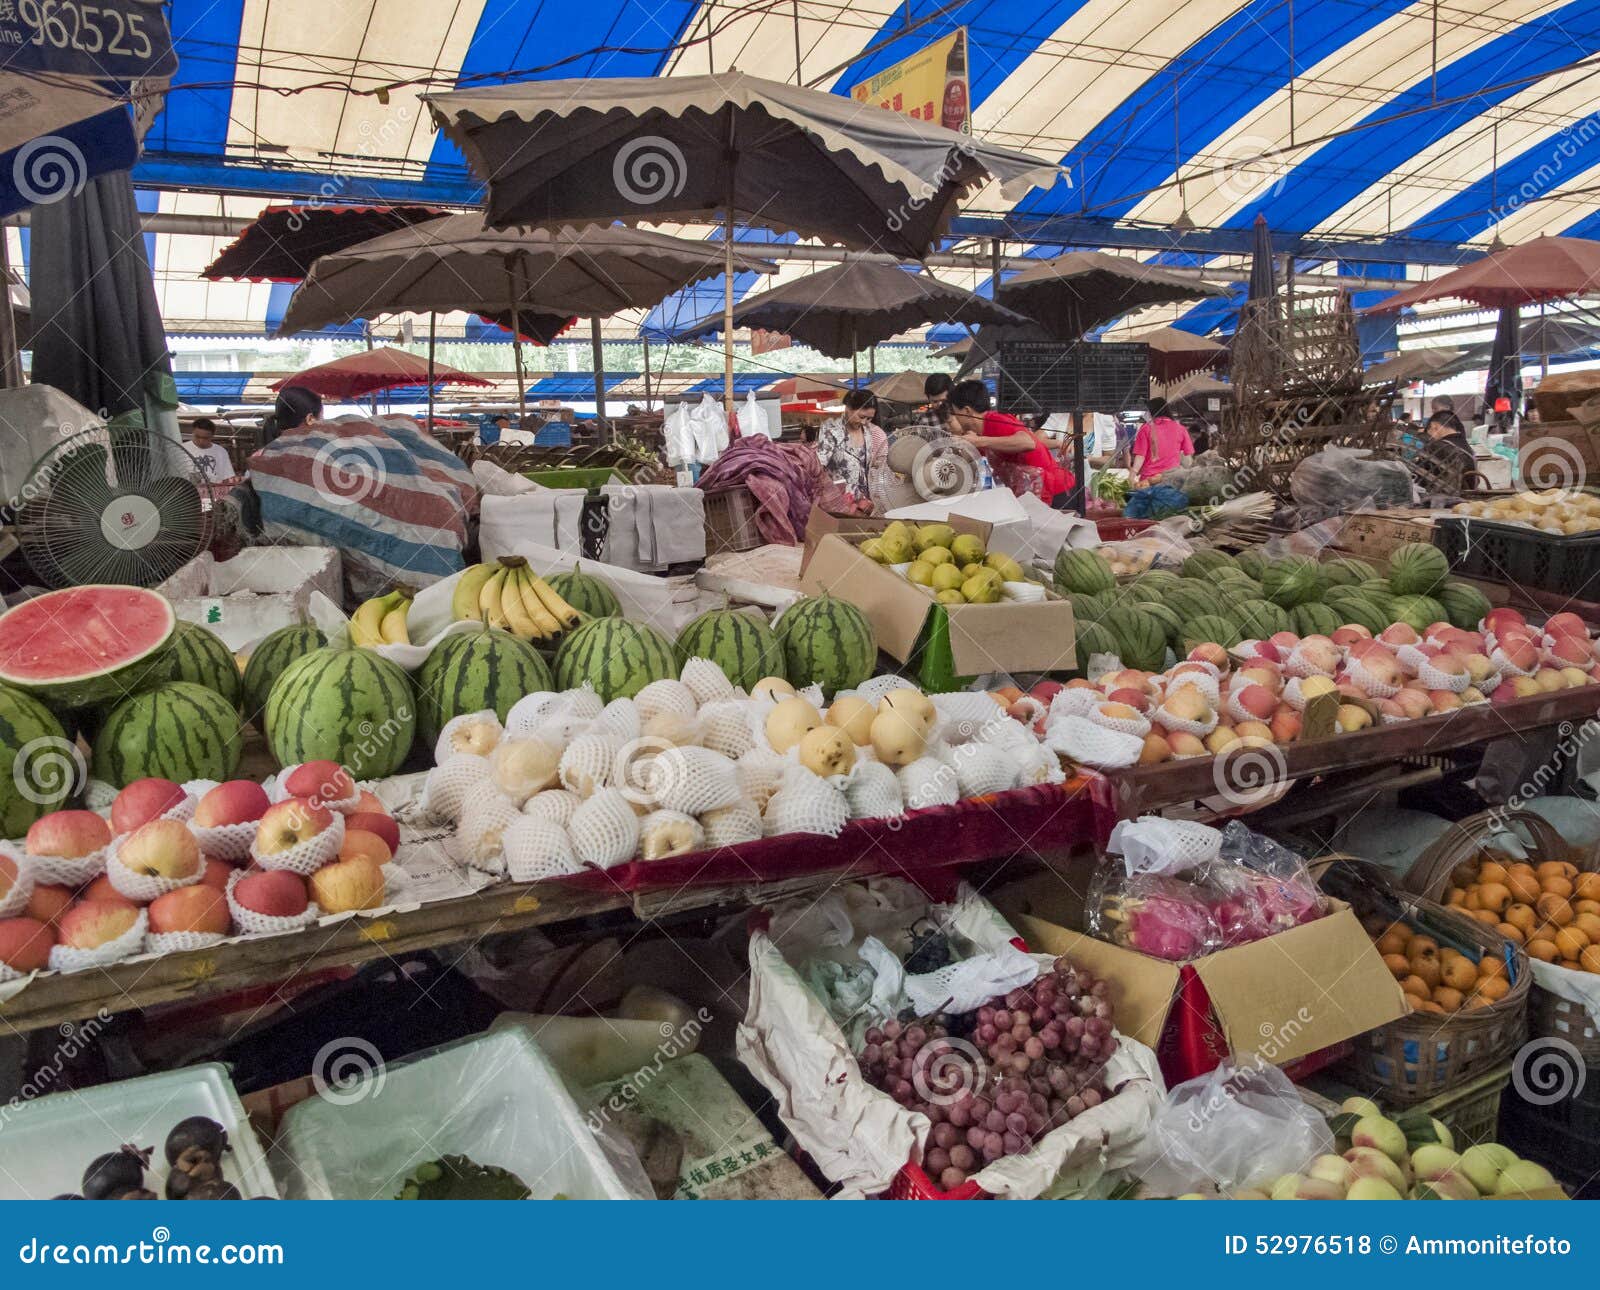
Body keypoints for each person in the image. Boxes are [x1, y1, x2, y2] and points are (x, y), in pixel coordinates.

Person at [946, 379, 1073, 506]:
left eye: (955, 412)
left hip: (1057, 491)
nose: (955, 418)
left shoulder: (994, 420)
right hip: (1036, 493)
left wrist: (979, 441)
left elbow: (1028, 442)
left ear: (967, 411)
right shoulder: (981, 432)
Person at [816, 389, 892, 512]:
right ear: (848, 408)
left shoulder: (867, 432)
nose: (864, 422)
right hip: (838, 502)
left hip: (864, 503)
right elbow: (818, 468)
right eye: (861, 416)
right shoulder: (831, 431)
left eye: (869, 418)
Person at [1129, 398, 1194, 483]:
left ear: (1152, 411)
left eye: (1147, 411)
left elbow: (1140, 456)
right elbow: (1188, 455)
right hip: (1172, 479)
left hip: (1149, 481)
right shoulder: (1181, 429)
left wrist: (1131, 476)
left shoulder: (1146, 428)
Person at [1415, 408, 1477, 495]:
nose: (1430, 437)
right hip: (1468, 496)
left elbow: (1417, 478)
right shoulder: (1467, 447)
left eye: (1429, 432)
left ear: (1434, 426)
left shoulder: (1437, 447)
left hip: (1446, 500)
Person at [185, 418, 236, 484]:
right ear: (193, 432)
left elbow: (226, 478)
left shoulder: (221, 452)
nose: (201, 441)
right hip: (190, 491)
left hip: (215, 491)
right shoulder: (181, 449)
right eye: (197, 437)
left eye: (205, 438)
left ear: (212, 436)